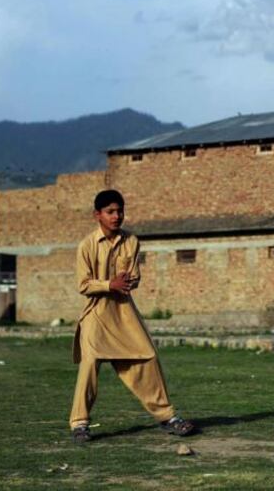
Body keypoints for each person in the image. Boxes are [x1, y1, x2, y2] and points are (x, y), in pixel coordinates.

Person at [69, 189, 195, 443]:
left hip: (124, 313)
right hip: (97, 313)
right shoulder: (87, 245)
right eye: (110, 212)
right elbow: (83, 285)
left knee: (148, 355)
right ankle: (79, 423)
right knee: (90, 363)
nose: (117, 217)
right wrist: (108, 285)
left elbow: (134, 276)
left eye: (120, 211)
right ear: (98, 215)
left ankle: (167, 417)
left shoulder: (131, 241)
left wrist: (126, 281)